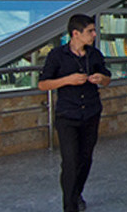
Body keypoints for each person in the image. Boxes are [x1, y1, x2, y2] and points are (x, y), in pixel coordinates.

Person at [38, 14, 110, 212]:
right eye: (90, 31)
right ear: (75, 34)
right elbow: (43, 84)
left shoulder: (94, 55)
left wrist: (100, 78)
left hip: (91, 112)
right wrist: (67, 80)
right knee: (70, 161)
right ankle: (69, 206)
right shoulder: (57, 55)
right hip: (67, 115)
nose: (94, 35)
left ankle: (77, 192)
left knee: (85, 158)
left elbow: (107, 78)